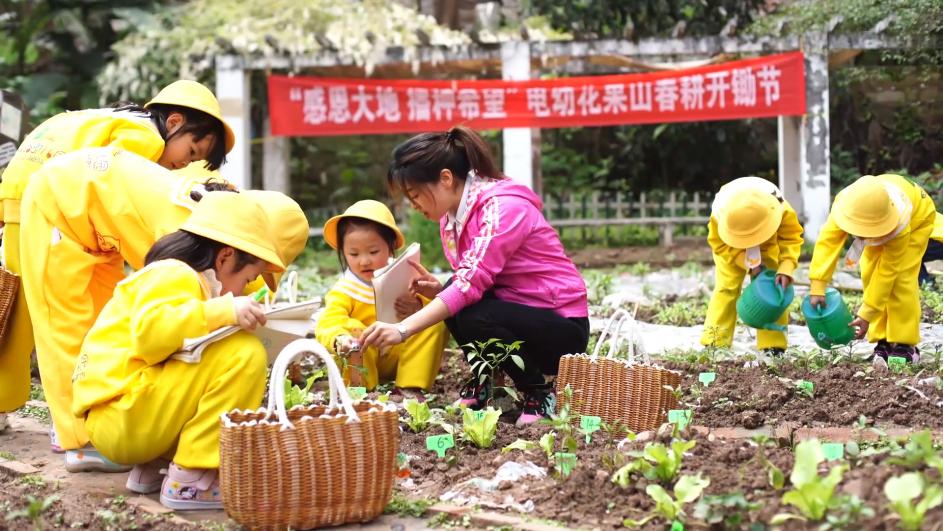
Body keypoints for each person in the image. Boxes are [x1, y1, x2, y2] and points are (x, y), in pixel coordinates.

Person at [0, 79, 234, 433]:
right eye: (189, 153)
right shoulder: (144, 139)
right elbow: (122, 196)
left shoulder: (122, 118)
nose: (180, 165)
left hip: (30, 199)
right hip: (42, 209)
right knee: (29, 316)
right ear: (173, 124)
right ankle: (51, 417)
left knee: (27, 308)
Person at [18, 148, 241, 471]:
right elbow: (164, 309)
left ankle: (92, 423)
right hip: (56, 211)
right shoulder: (182, 230)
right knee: (63, 329)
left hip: (95, 230)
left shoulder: (195, 212)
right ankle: (80, 441)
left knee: (101, 327)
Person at [360, 126, 589, 425]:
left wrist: (402, 329)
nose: (414, 206)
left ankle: (538, 391)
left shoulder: (503, 208)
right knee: (454, 290)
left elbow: (471, 285)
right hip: (525, 317)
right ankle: (488, 382)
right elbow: (469, 280)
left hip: (562, 329)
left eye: (415, 195)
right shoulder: (452, 218)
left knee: (469, 309)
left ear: (445, 178)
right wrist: (438, 290)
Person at [71, 192, 282, 510]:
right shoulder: (175, 273)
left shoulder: (176, 278)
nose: (241, 290)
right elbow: (152, 335)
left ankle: (153, 467)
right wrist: (224, 311)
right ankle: (192, 479)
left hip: (122, 417)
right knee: (244, 352)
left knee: (211, 353)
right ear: (224, 258)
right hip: (121, 416)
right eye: (247, 279)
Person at [315, 200, 448, 398]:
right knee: (352, 327)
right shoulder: (344, 289)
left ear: (391, 245)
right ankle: (362, 391)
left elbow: (438, 307)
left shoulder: (405, 274)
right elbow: (329, 322)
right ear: (343, 252)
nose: (364, 260)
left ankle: (409, 386)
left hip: (401, 356)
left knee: (432, 322)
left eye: (373, 251)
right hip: (364, 356)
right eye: (353, 253)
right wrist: (340, 338)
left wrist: (419, 307)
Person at [809, 174, 936, 366]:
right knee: (868, 271)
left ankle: (905, 344)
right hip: (880, 216)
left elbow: (887, 272)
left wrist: (867, 313)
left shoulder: (900, 222)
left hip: (918, 219)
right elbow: (827, 243)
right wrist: (818, 285)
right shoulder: (845, 206)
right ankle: (883, 339)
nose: (860, 235)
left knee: (901, 279)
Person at [701, 177, 804, 356]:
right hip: (731, 247)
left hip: (767, 244)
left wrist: (786, 268)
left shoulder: (780, 209)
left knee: (774, 288)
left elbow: (791, 238)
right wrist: (744, 261)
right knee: (726, 288)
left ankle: (773, 347)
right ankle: (715, 344)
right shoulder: (720, 214)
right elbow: (719, 245)